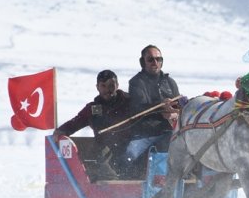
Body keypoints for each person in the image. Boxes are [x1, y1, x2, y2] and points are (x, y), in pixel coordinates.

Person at [52, 69, 130, 178]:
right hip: (104, 150)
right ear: (97, 87)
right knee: (100, 162)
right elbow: (76, 121)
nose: (108, 90)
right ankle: (114, 187)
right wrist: (62, 130)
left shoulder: (129, 101)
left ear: (117, 85)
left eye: (111, 85)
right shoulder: (93, 108)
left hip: (128, 147)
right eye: (103, 86)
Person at [121, 45, 181, 175]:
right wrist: (161, 107)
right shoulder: (136, 82)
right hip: (145, 134)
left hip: (169, 132)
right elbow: (138, 108)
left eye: (158, 59)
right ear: (143, 62)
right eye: (150, 59)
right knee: (127, 159)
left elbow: (179, 107)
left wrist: (174, 114)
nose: (155, 62)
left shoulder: (170, 83)